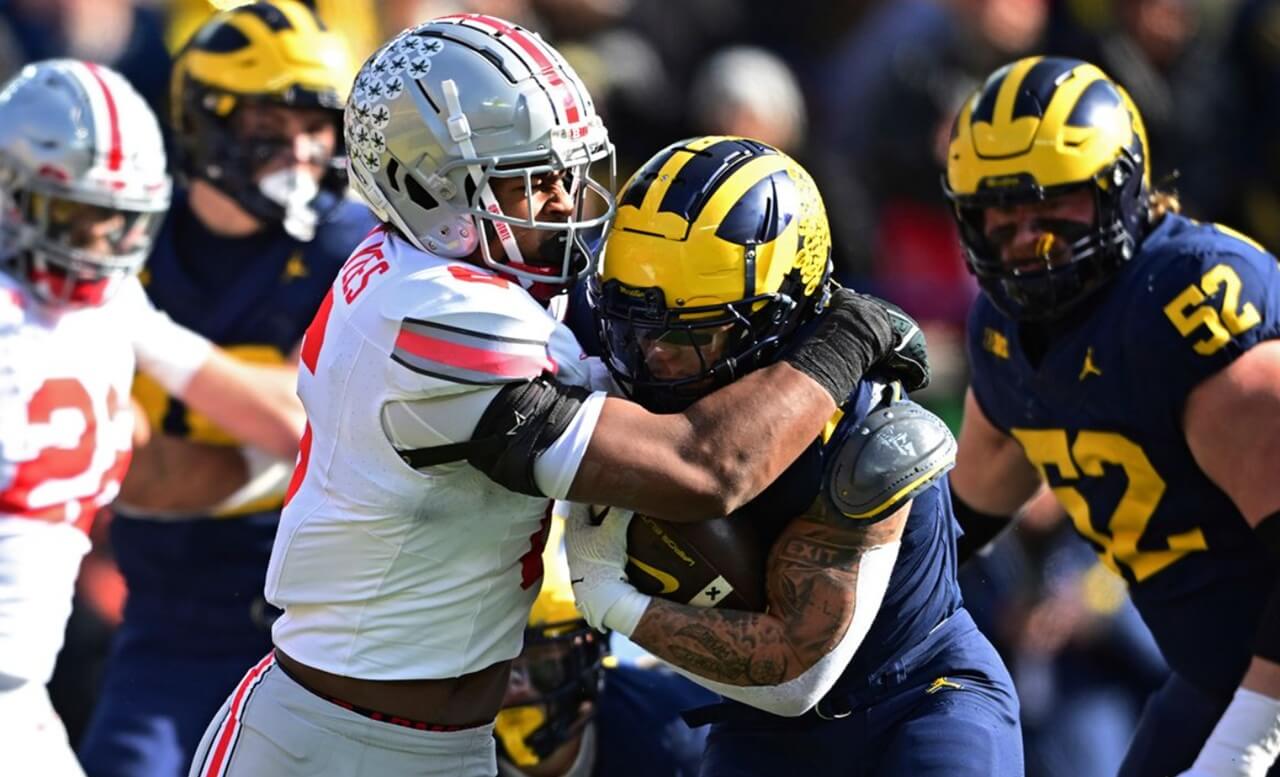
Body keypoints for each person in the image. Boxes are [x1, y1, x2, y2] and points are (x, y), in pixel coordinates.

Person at [188, 14, 929, 777]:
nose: (562, 201)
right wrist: (845, 336)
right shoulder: (434, 312)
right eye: (530, 178)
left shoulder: (437, 276)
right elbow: (707, 467)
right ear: (426, 189)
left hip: (449, 744)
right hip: (326, 743)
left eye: (567, 173)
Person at [563, 136, 1022, 777]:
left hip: (914, 701)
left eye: (687, 332)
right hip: (761, 728)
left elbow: (796, 672)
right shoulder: (644, 361)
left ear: (776, 320)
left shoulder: (867, 428)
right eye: (632, 327)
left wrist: (607, 597)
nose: (652, 357)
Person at [942, 56, 1280, 777]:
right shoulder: (1006, 332)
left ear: (1121, 188)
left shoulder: (1187, 308)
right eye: (1000, 214)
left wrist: (1248, 742)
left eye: (1054, 205)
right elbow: (954, 522)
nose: (1028, 239)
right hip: (1215, 681)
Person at [76, 4, 377, 777]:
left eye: (318, 125)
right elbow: (131, 464)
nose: (304, 149)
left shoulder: (353, 248)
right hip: (169, 624)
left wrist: (152, 341)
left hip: (319, 633)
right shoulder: (133, 237)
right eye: (271, 123)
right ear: (203, 120)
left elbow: (311, 423)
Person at [0, 59, 308, 777]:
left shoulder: (106, 308)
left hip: (21, 693)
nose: (103, 239)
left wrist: (314, 435)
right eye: (80, 212)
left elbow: (275, 420)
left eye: (122, 217)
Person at [495, 516, 716, 777]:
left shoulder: (678, 739)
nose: (513, 686)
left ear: (588, 651)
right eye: (491, 666)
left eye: (542, 663)